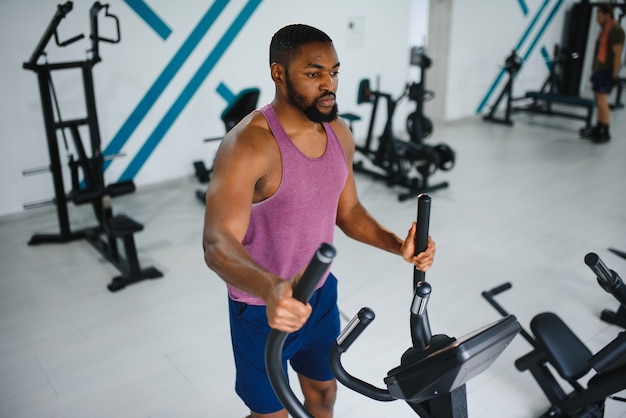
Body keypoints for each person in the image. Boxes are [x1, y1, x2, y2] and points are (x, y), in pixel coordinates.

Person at [202, 23, 436, 418]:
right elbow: (216, 242)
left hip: (321, 296)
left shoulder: (339, 133)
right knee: (271, 415)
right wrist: (274, 288)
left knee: (324, 396)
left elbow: (349, 213)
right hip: (262, 308)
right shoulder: (248, 145)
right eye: (314, 74)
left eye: (334, 72)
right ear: (279, 73)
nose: (329, 84)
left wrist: (399, 245)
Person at [580, 4, 625, 143]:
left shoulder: (616, 30)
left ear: (607, 15)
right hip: (600, 70)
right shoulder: (605, 29)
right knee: (599, 100)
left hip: (607, 71)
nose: (597, 19)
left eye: (599, 16)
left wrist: (615, 73)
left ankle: (605, 131)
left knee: (602, 101)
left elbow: (617, 54)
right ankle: (598, 127)